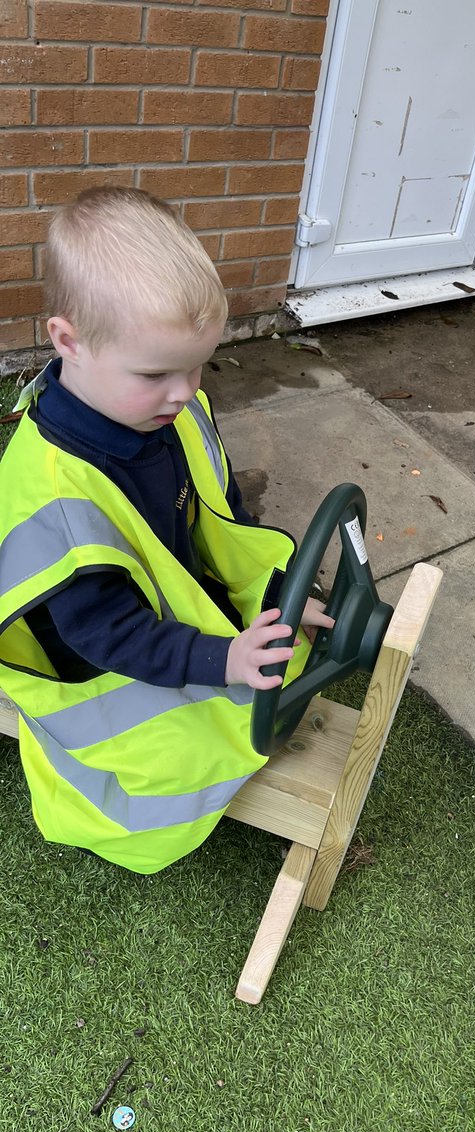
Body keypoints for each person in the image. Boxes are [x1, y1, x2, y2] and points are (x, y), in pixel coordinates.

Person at [0, 186, 333, 873]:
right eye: (156, 372)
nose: (184, 393)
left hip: (151, 608)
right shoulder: (59, 498)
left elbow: (217, 517)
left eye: (196, 364)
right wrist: (224, 660)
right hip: (89, 659)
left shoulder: (165, 412)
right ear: (69, 342)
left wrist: (274, 592)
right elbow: (105, 634)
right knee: (185, 759)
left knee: (275, 669)